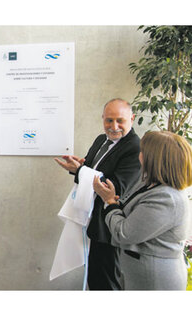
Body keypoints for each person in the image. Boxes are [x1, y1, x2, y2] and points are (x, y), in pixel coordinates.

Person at [54, 98, 141, 290]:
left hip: (109, 226)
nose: (114, 126)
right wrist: (77, 167)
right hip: (90, 220)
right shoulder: (101, 139)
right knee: (93, 279)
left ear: (132, 119)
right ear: (102, 118)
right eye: (109, 120)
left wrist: (80, 171)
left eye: (120, 120)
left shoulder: (135, 147)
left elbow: (114, 187)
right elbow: (89, 170)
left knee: (107, 283)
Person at [93, 131, 192, 290]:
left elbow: (123, 233)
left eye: (142, 151)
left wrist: (109, 201)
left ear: (154, 159)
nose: (139, 154)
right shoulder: (150, 183)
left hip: (154, 279)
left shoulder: (166, 199)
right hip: (140, 274)